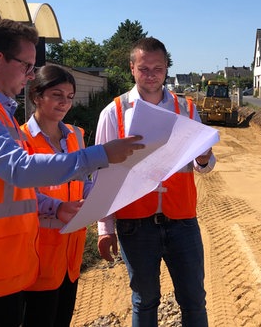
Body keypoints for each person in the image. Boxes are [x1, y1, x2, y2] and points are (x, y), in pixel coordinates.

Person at [0, 18, 144, 327]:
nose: (30, 74)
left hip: (5, 265)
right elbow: (20, 169)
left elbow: (16, 190)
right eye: (27, 66)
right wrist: (100, 154)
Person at [96, 37, 215, 327]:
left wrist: (203, 158)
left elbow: (204, 166)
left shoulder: (186, 108)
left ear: (166, 69)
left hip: (182, 220)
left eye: (157, 68)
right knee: (144, 301)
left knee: (194, 300)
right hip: (135, 224)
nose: (151, 75)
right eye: (144, 68)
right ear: (132, 69)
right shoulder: (113, 112)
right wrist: (104, 228)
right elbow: (102, 175)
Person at [19, 65, 90, 326]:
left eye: (70, 97)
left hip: (70, 258)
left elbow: (82, 185)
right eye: (57, 95)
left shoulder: (77, 136)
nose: (64, 103)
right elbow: (19, 194)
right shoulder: (20, 139)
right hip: (36, 259)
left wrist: (108, 192)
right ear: (37, 96)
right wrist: (56, 207)